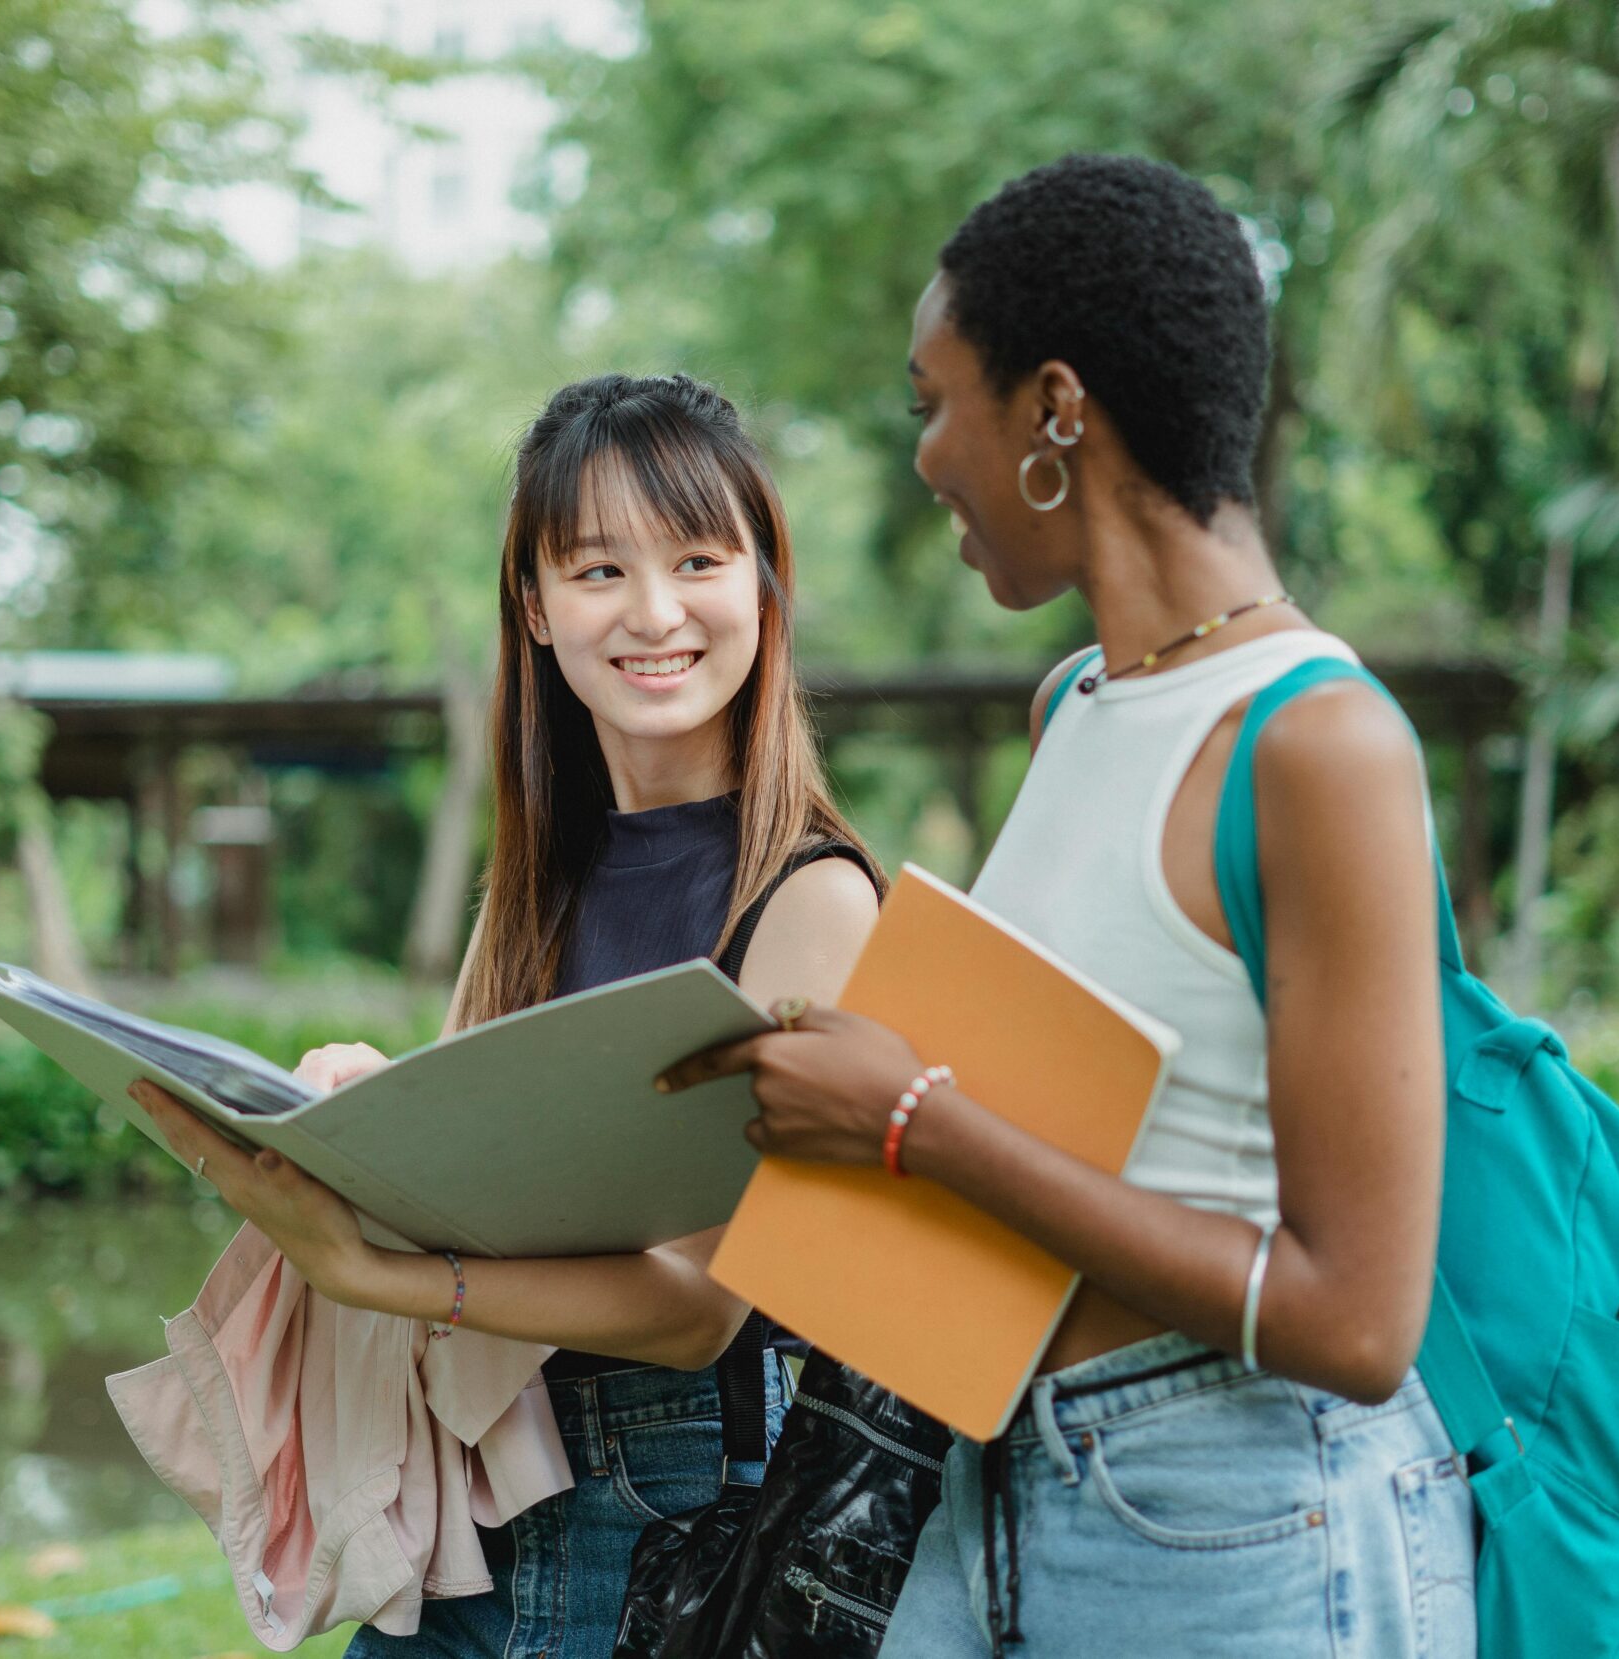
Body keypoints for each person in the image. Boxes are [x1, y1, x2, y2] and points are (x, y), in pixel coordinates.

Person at [659, 155, 1477, 1657]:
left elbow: (1358, 1324)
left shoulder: (1318, 743)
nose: (920, 457)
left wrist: (914, 1120)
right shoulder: (1079, 703)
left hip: (1238, 1513)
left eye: (929, 400)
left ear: (1053, 409)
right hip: (997, 1472)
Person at [137, 372, 886, 1659]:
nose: (654, 612)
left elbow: (701, 1304)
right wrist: (366, 1109)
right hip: (478, 1471)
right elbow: (494, 1185)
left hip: (666, 1498)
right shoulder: (540, 878)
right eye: (598, 570)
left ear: (764, 583)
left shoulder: (812, 896)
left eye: (698, 557)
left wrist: (381, 1274)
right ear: (535, 609)